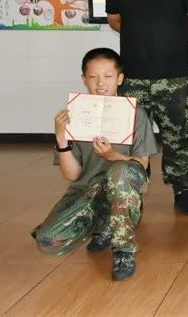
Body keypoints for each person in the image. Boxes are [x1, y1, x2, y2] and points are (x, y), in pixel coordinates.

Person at [105, 0, 188, 215]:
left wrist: (172, 39)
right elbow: (115, 20)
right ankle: (133, 188)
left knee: (178, 136)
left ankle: (182, 191)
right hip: (132, 78)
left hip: (175, 77)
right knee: (132, 138)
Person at [31, 48, 157, 281]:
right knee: (48, 242)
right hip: (87, 190)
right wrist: (61, 138)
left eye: (108, 76)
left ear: (120, 78)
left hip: (124, 186)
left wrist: (112, 155)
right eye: (93, 77)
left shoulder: (135, 114)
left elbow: (141, 165)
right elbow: (72, 175)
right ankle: (103, 223)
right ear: (83, 79)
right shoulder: (76, 115)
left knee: (119, 171)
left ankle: (123, 250)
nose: (100, 83)